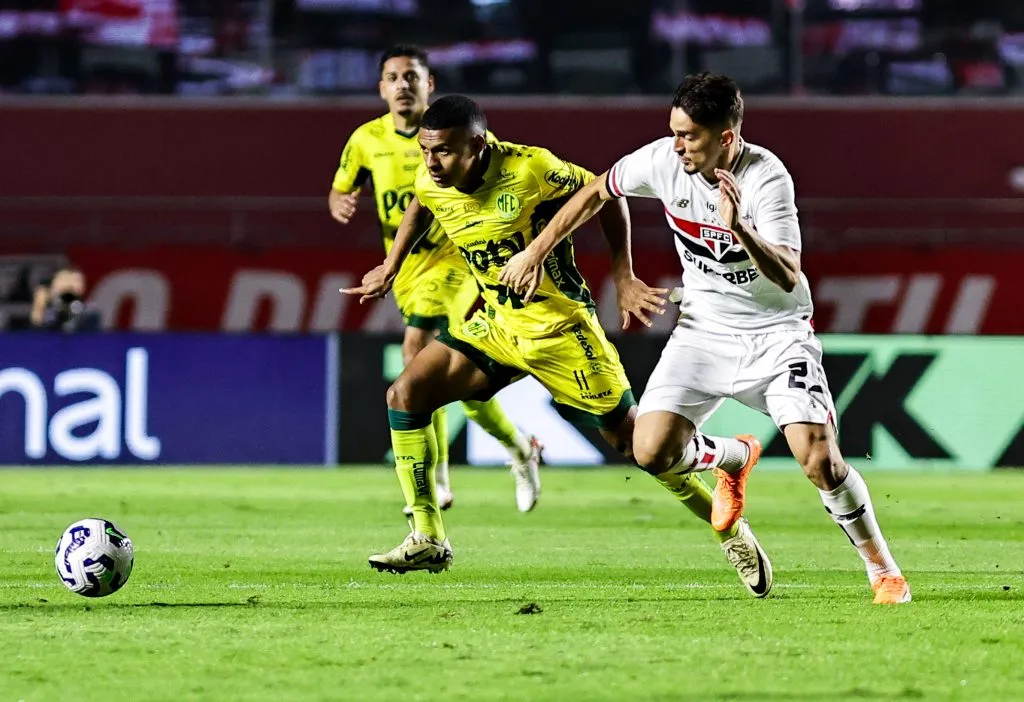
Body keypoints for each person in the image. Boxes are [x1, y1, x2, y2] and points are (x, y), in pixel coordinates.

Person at [500, 72, 910, 605]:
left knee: (820, 461)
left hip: (776, 335)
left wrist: (739, 227)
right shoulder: (663, 161)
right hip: (703, 331)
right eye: (673, 131)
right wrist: (554, 258)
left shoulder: (766, 178)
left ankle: (883, 571)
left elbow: (788, 274)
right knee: (649, 451)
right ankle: (732, 457)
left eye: (690, 135)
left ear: (727, 138)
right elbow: (598, 191)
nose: (677, 145)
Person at [343, 95, 774, 598]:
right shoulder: (431, 175)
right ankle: (428, 536)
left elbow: (605, 194)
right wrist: (393, 263)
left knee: (640, 448)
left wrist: (624, 274)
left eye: (443, 152)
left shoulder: (532, 169)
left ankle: (730, 520)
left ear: (478, 145)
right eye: (425, 151)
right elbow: (421, 202)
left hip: (562, 332)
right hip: (499, 324)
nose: (430, 164)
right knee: (406, 394)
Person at [329, 44, 542, 513]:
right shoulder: (366, 139)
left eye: (412, 76)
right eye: (393, 76)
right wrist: (340, 202)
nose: (402, 84)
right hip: (409, 270)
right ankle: (521, 449)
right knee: (460, 384)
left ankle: (438, 480)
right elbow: (340, 188)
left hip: (465, 260)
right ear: (381, 87)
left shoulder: (460, 133)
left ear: (430, 85)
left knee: (416, 350)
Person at [31, 267, 103, 333]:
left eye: (76, 281)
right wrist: (40, 307)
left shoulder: (90, 311)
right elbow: (37, 327)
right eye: (64, 280)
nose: (69, 285)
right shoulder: (45, 308)